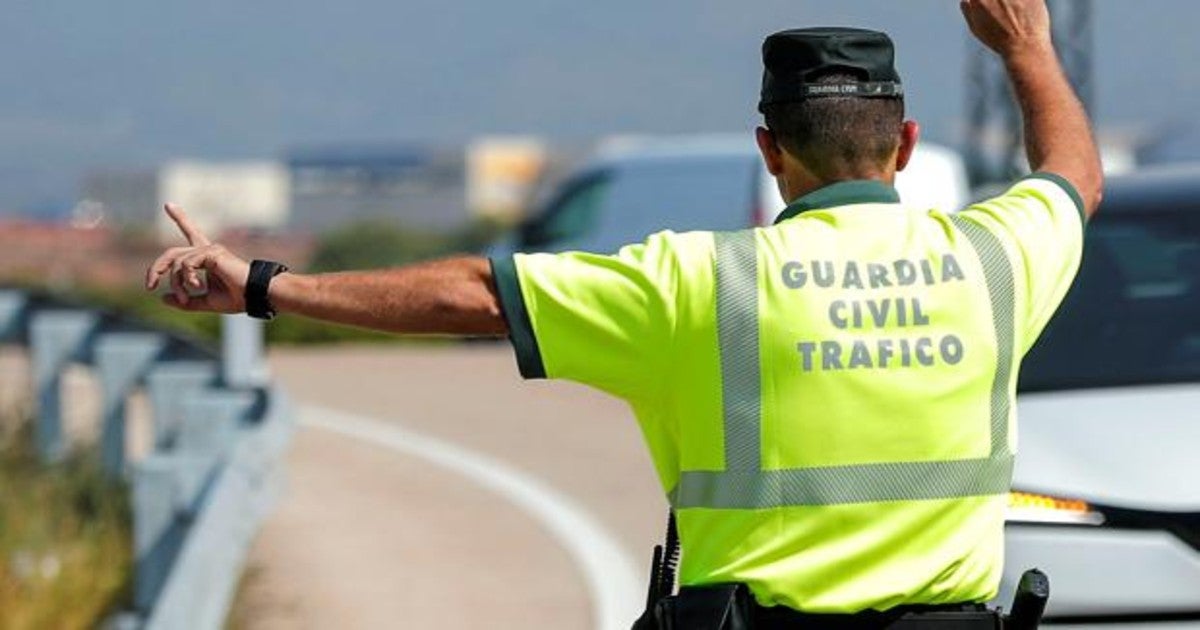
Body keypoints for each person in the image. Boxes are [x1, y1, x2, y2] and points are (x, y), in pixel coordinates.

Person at [145, 0, 1101, 627]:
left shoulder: (698, 283)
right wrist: (1027, 47)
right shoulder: (994, 258)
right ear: (907, 146)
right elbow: (1072, 176)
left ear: (770, 149)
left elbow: (478, 294)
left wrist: (264, 284)